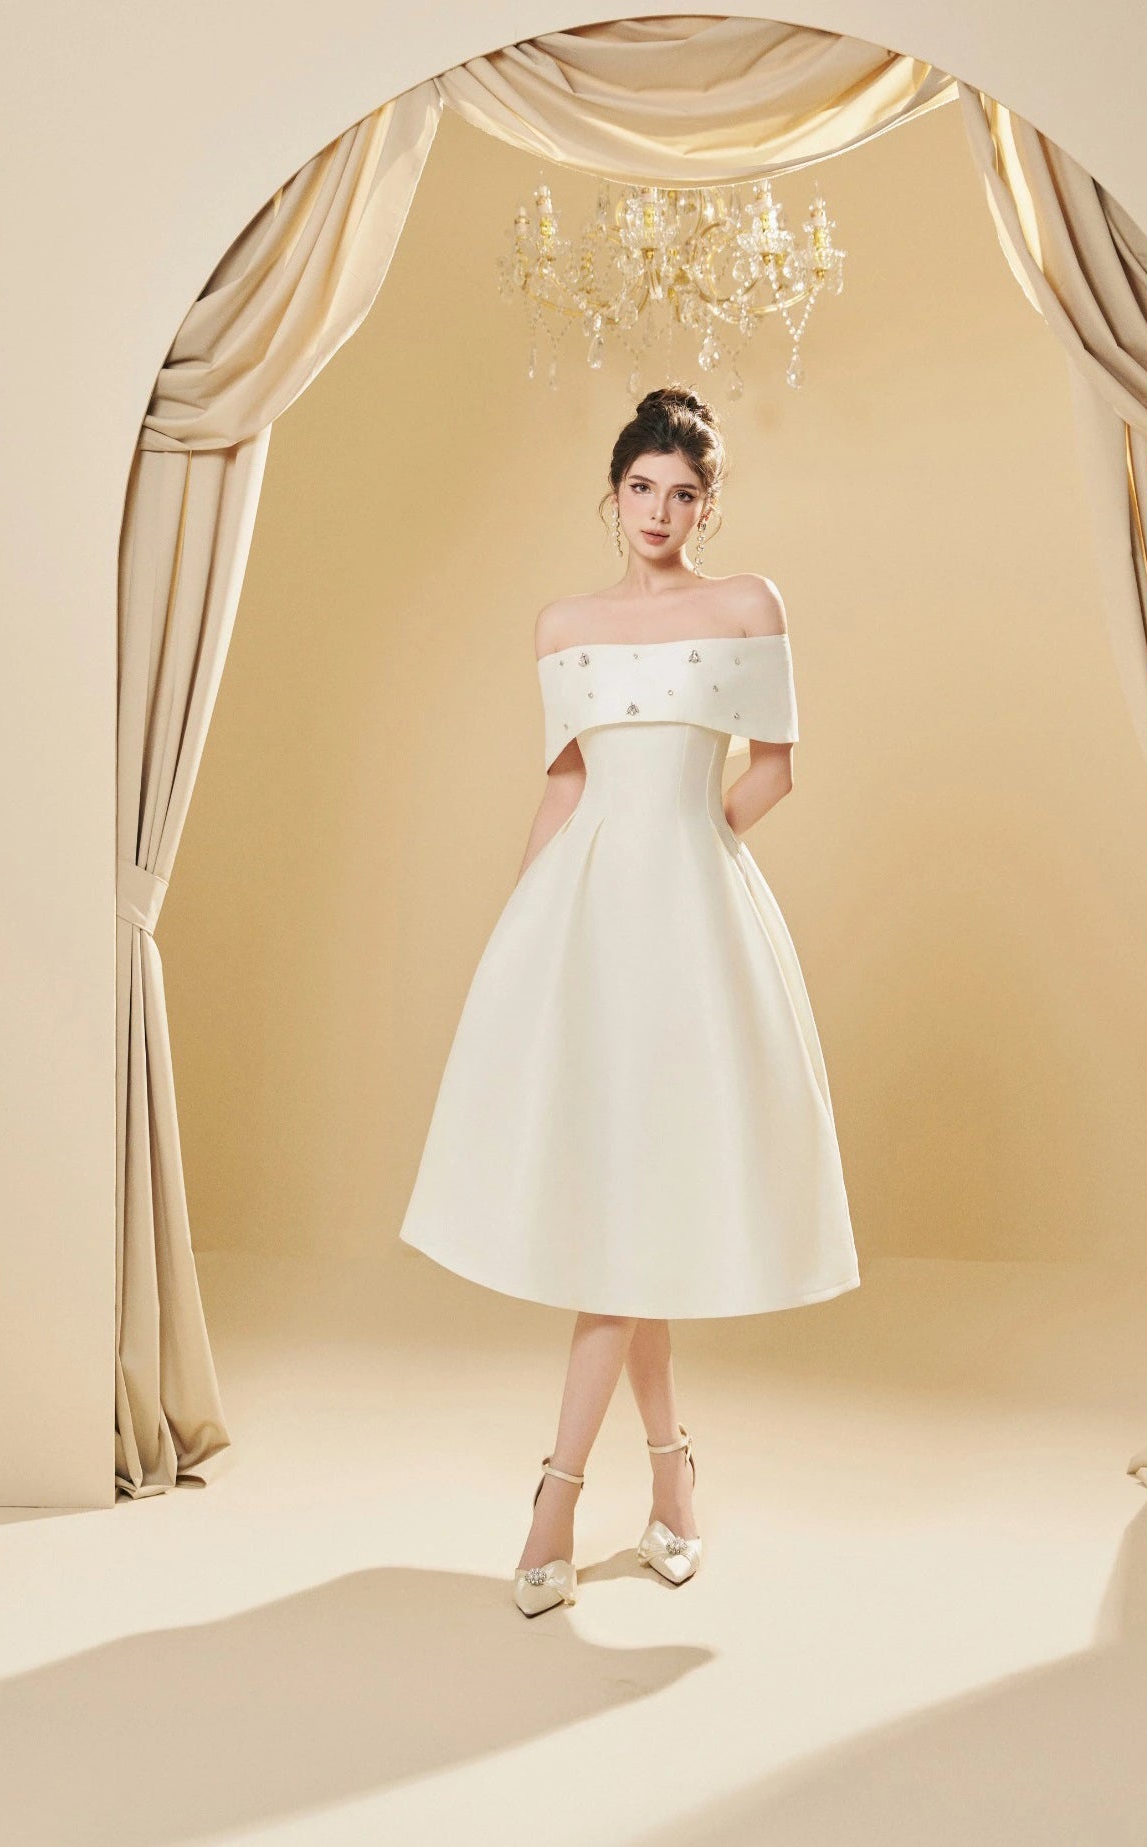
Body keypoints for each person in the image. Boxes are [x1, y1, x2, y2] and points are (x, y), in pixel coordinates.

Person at [398, 384, 860, 1616]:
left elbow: (777, 771)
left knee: (632, 1210)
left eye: (685, 492)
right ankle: (672, 1483)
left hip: (694, 924)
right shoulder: (563, 625)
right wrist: (522, 929)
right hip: (586, 924)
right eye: (643, 488)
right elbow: (562, 788)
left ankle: (557, 1494)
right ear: (612, 493)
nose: (660, 511)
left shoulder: (748, 604)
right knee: (626, 1207)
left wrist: (685, 851)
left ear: (710, 503)